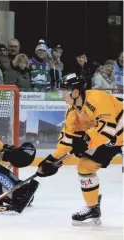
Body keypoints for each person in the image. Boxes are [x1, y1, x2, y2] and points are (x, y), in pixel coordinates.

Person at [36, 73, 123, 226]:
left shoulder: (97, 98)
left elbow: (108, 129)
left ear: (75, 92)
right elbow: (67, 140)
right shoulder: (72, 112)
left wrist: (86, 140)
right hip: (112, 138)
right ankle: (92, 207)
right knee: (85, 166)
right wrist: (54, 160)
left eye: (64, 91)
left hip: (115, 132)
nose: (61, 95)